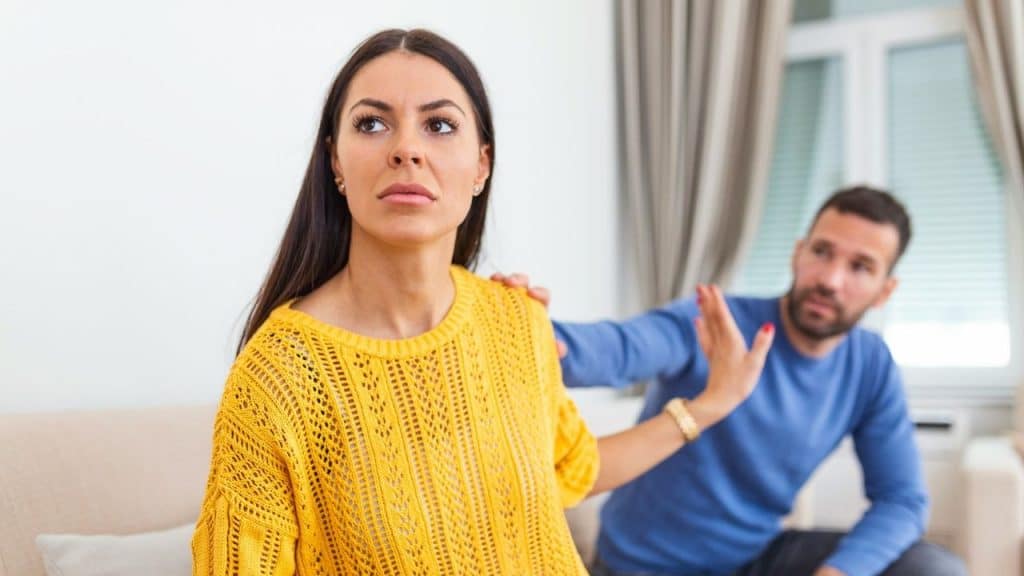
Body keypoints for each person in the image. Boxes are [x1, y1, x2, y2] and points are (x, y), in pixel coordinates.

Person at [191, 29, 773, 576]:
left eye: (439, 126)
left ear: (481, 165)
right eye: (372, 124)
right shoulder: (279, 377)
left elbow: (573, 468)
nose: (407, 150)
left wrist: (713, 403)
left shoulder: (515, 319)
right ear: (336, 164)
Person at [500, 187, 967, 576]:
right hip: (644, 568)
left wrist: (840, 573)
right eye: (821, 252)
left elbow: (902, 501)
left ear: (886, 290)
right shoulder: (715, 322)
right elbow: (616, 349)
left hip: (753, 560)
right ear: (798, 252)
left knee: (934, 570)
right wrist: (523, 329)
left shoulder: (870, 366)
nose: (830, 279)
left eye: (860, 267)